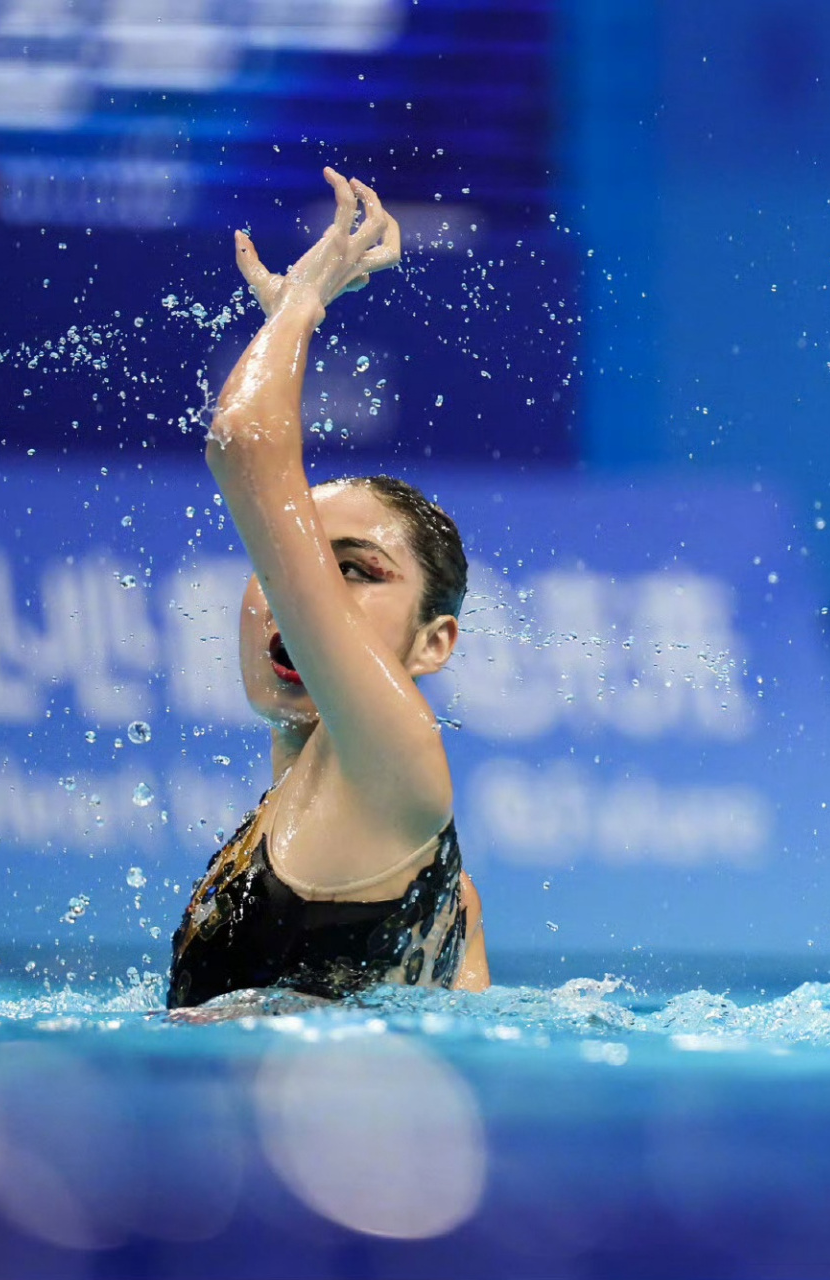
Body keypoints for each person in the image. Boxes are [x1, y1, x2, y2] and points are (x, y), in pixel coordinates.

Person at [166, 168, 490, 1008]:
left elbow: (244, 441)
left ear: (433, 642)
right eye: (291, 561)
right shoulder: (424, 867)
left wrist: (300, 306)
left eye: (353, 568)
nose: (296, 586)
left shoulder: (395, 761)